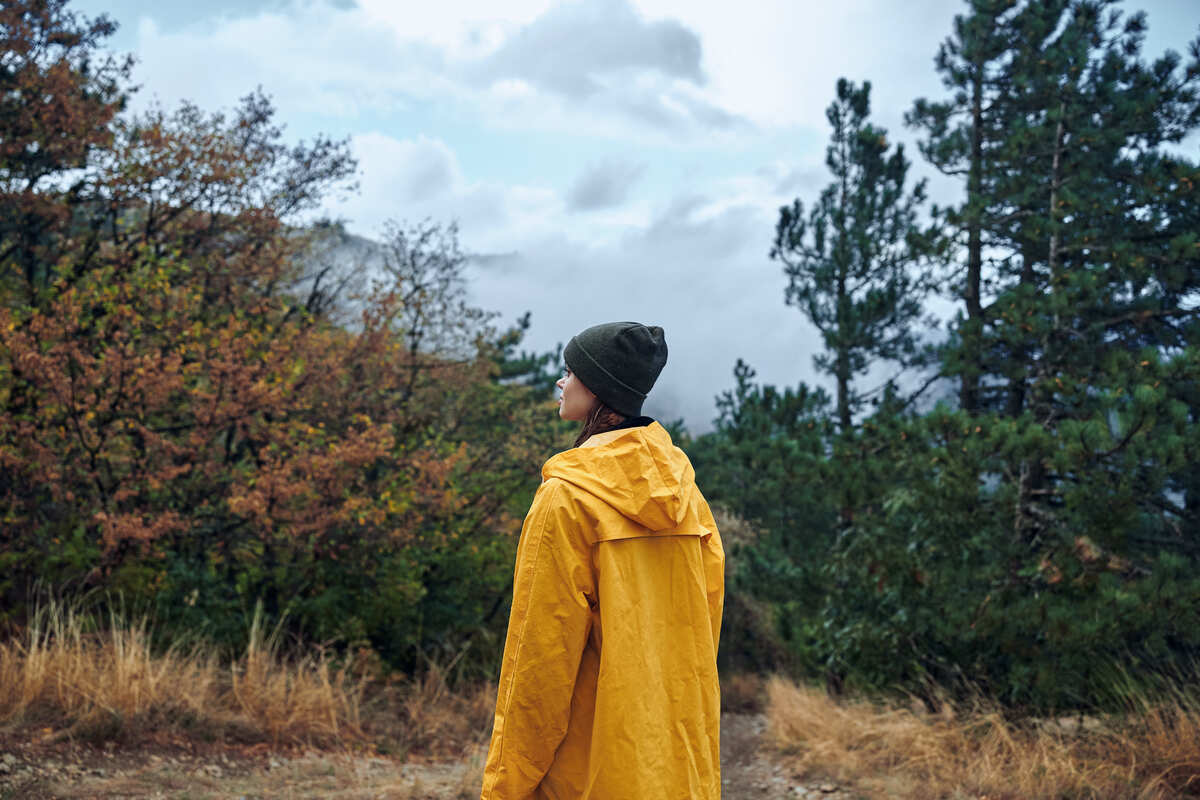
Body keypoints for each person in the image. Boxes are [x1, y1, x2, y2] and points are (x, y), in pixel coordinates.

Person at [480, 321, 724, 800]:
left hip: (588, 770)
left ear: (595, 388)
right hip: (676, 768)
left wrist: (505, 787)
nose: (560, 382)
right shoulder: (688, 498)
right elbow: (702, 637)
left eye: (569, 372)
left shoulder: (566, 500)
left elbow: (538, 665)